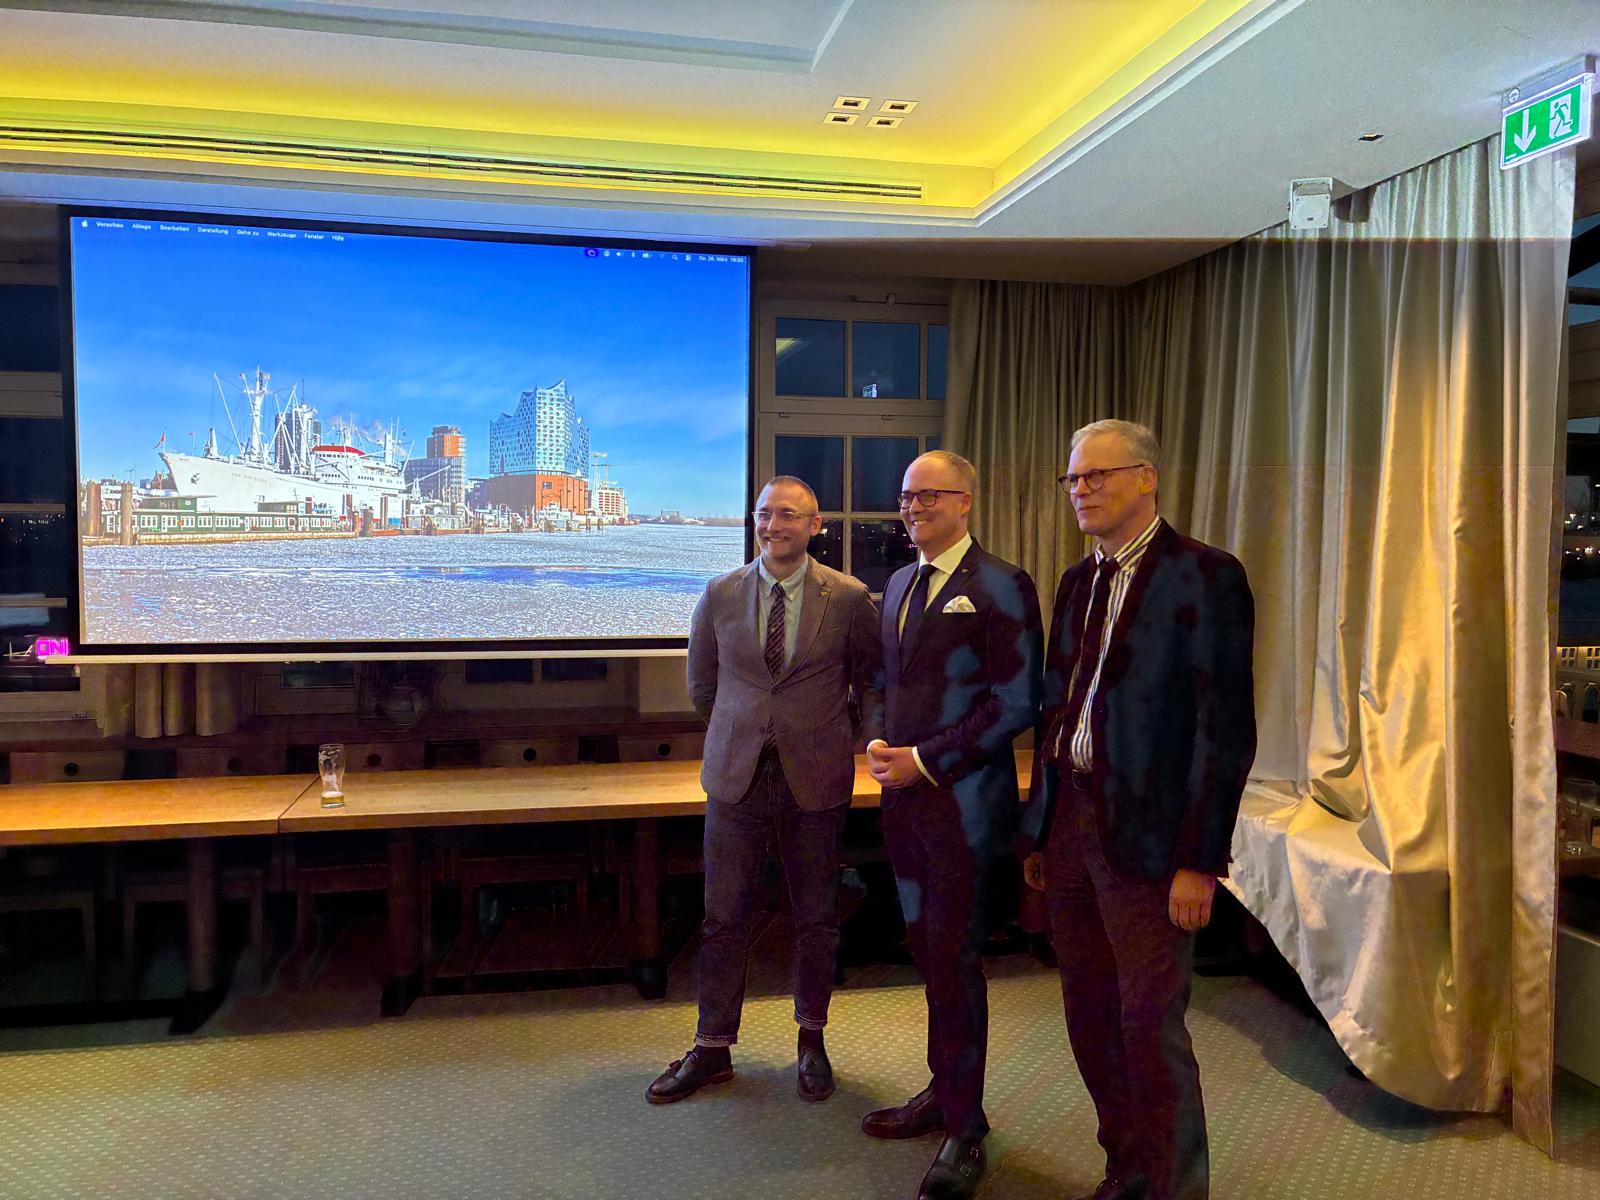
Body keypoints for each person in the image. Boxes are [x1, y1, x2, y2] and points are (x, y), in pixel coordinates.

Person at [1022, 420, 1256, 1200]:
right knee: (1089, 1016)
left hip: (1153, 843)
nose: (1081, 490)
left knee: (1150, 1026)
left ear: (1147, 478)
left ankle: (1175, 1187)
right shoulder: (1076, 581)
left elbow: (1225, 731)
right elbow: (1058, 710)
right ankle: (1125, 1168)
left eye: (1097, 475)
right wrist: (1041, 824)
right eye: (1073, 479)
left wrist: (1201, 860)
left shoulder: (1206, 576)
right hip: (1070, 822)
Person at [647, 476, 883, 1105]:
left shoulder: (849, 597)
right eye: (764, 513)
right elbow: (703, 685)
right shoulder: (720, 592)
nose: (773, 525)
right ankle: (712, 1047)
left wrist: (845, 736)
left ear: (814, 524)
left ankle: (811, 1040)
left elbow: (871, 680)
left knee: (816, 918)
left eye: (788, 515)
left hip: (816, 776)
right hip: (736, 777)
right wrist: (742, 731)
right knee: (723, 918)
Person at [865, 450, 1042, 1200]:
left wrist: (925, 761)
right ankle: (944, 1094)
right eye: (907, 496)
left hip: (964, 810)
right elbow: (887, 681)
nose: (913, 507)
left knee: (957, 962)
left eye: (929, 495)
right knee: (928, 956)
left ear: (965, 501)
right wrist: (880, 742)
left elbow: (1017, 702)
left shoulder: (1003, 585)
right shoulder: (899, 584)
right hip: (904, 807)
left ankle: (967, 1131)